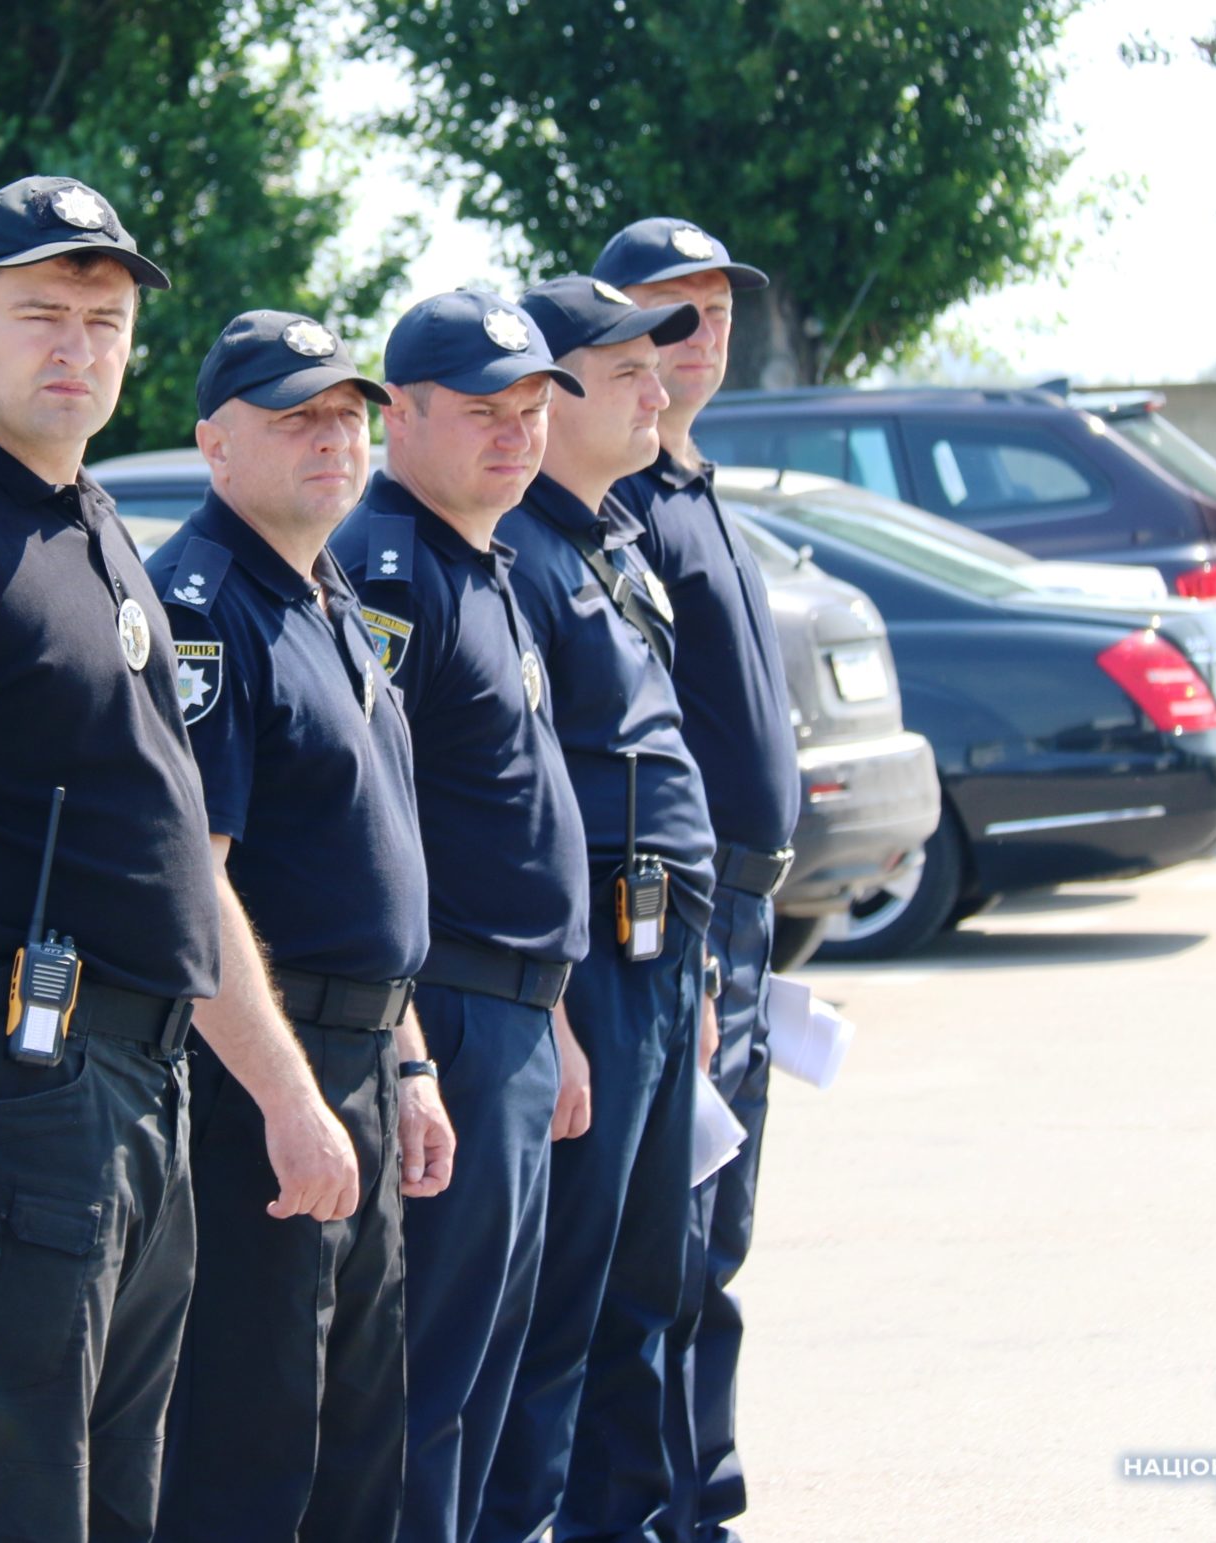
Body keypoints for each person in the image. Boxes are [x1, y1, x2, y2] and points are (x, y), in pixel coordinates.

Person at [0, 175, 350, 1543]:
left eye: (104, 323)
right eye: (41, 312)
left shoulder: (84, 521)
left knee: (106, 1506)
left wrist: (282, 1087)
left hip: (129, 1087)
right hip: (10, 1089)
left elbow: (169, 844)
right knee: (4, 1504)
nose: (76, 349)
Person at [145, 311, 455, 1543]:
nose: (334, 438)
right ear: (216, 445)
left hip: (362, 1054)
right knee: (253, 1440)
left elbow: (363, 868)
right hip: (262, 1071)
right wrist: (287, 1096)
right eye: (295, 418)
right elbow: (193, 882)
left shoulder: (323, 593)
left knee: (355, 1441)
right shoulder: (205, 609)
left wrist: (410, 1062)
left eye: (347, 415)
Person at [331, 291, 592, 1543]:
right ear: (403, 415)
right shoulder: (391, 574)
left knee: (491, 1369)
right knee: (427, 1386)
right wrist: (419, 1050)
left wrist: (558, 1021)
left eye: (533, 408)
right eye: (486, 410)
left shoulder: (482, 561)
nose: (516, 433)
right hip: (451, 1022)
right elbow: (368, 835)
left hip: (517, 1017)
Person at [478, 276, 720, 1543]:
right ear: (552, 395)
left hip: (666, 955)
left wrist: (702, 972)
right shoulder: (514, 556)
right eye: (627, 372)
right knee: (566, 1298)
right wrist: (561, 1003)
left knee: (649, 1285)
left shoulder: (613, 534)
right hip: (593, 968)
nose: (657, 390)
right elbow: (519, 805)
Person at [594, 218, 802, 1543]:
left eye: (718, 310)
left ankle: (702, 1496)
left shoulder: (693, 482)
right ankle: (664, 1509)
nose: (702, 335)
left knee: (717, 1237)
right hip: (681, 921)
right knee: (664, 1245)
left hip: (749, 915)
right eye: (672, 315)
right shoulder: (619, 504)